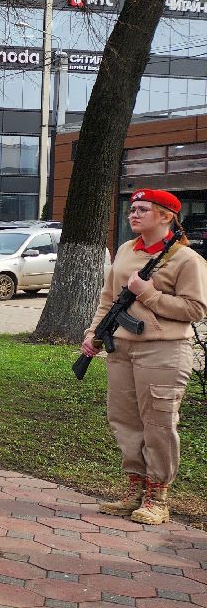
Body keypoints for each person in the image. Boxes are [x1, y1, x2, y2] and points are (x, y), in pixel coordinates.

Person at [85, 188, 207, 524]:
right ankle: (134, 489)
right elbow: (108, 300)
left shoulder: (186, 259)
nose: (133, 214)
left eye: (142, 210)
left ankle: (158, 496)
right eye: (132, 209)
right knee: (124, 421)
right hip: (121, 348)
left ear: (166, 216)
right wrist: (93, 334)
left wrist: (150, 295)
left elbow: (195, 309)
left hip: (163, 350)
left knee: (158, 423)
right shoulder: (125, 250)